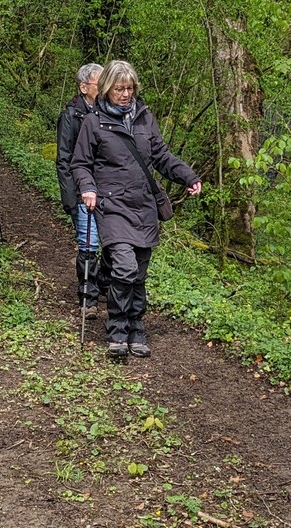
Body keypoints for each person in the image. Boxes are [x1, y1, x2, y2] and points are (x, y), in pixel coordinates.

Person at [71, 59, 202, 359]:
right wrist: (87, 188)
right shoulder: (93, 122)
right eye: (119, 88)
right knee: (125, 267)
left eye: (129, 88)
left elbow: (161, 156)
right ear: (107, 88)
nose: (125, 94)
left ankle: (136, 327)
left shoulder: (144, 118)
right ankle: (117, 329)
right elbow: (80, 164)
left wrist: (188, 177)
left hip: (143, 207)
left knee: (138, 274)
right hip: (112, 206)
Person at [56, 63, 104, 311]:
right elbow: (63, 159)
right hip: (81, 191)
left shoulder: (110, 113)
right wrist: (69, 197)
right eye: (99, 82)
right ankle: (88, 297)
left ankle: (105, 286)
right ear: (84, 87)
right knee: (89, 243)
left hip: (108, 189)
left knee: (111, 241)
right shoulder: (70, 116)